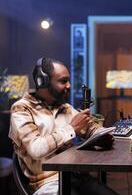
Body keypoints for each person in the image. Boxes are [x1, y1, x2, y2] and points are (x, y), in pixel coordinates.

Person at [9, 58, 118, 195]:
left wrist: (102, 135)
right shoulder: (21, 109)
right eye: (63, 81)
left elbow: (90, 128)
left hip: (75, 176)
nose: (69, 85)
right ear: (42, 81)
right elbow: (36, 149)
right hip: (47, 184)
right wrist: (72, 128)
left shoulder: (66, 108)